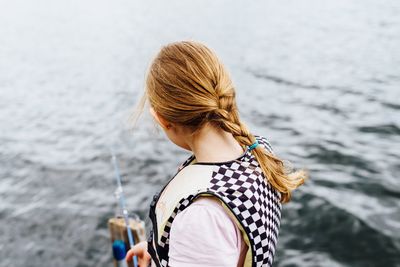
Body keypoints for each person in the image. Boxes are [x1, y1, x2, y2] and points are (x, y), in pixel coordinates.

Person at [126, 40, 308, 267]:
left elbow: (207, 240)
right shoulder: (257, 150)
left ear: (161, 120)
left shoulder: (201, 218)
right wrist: (160, 254)